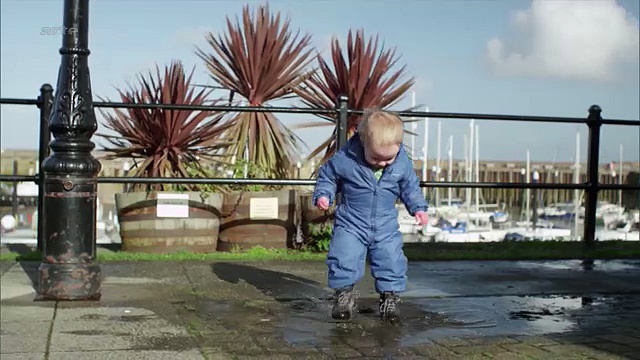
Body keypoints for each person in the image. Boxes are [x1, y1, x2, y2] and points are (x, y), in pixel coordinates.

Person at [312, 109, 429, 322]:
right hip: (351, 222)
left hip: (385, 224)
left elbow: (410, 187)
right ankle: (343, 296)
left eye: (389, 159)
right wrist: (324, 195)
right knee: (343, 257)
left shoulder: (402, 164)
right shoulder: (345, 160)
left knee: (391, 260)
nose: (383, 163)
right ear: (364, 141)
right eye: (376, 157)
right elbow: (327, 177)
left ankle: (390, 298)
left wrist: (418, 208)